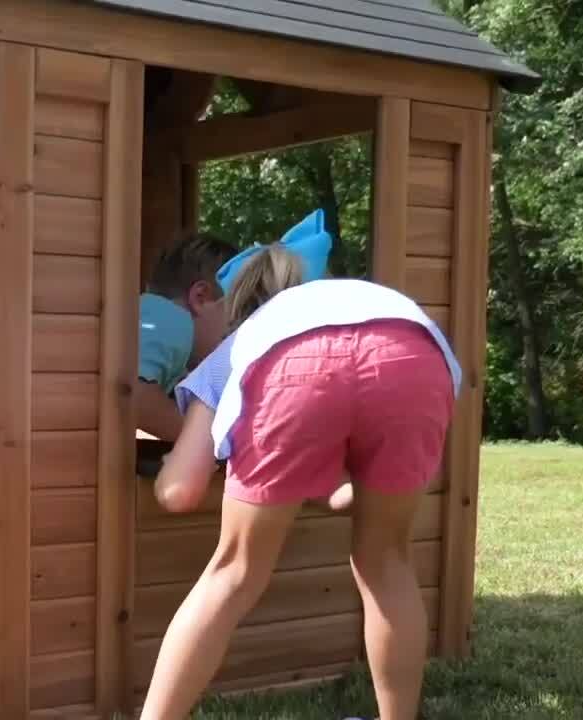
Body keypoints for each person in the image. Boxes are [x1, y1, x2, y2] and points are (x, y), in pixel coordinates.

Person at [138, 245, 461, 720]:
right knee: (387, 563)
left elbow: (179, 491)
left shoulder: (247, 338)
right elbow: (359, 484)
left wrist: (175, 465)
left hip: (294, 369)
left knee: (233, 572)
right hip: (416, 355)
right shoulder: (368, 302)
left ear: (238, 308)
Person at [136, 231, 239, 441]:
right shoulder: (172, 320)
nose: (233, 336)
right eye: (234, 322)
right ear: (200, 297)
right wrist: (203, 445)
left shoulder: (156, 318)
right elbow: (135, 396)